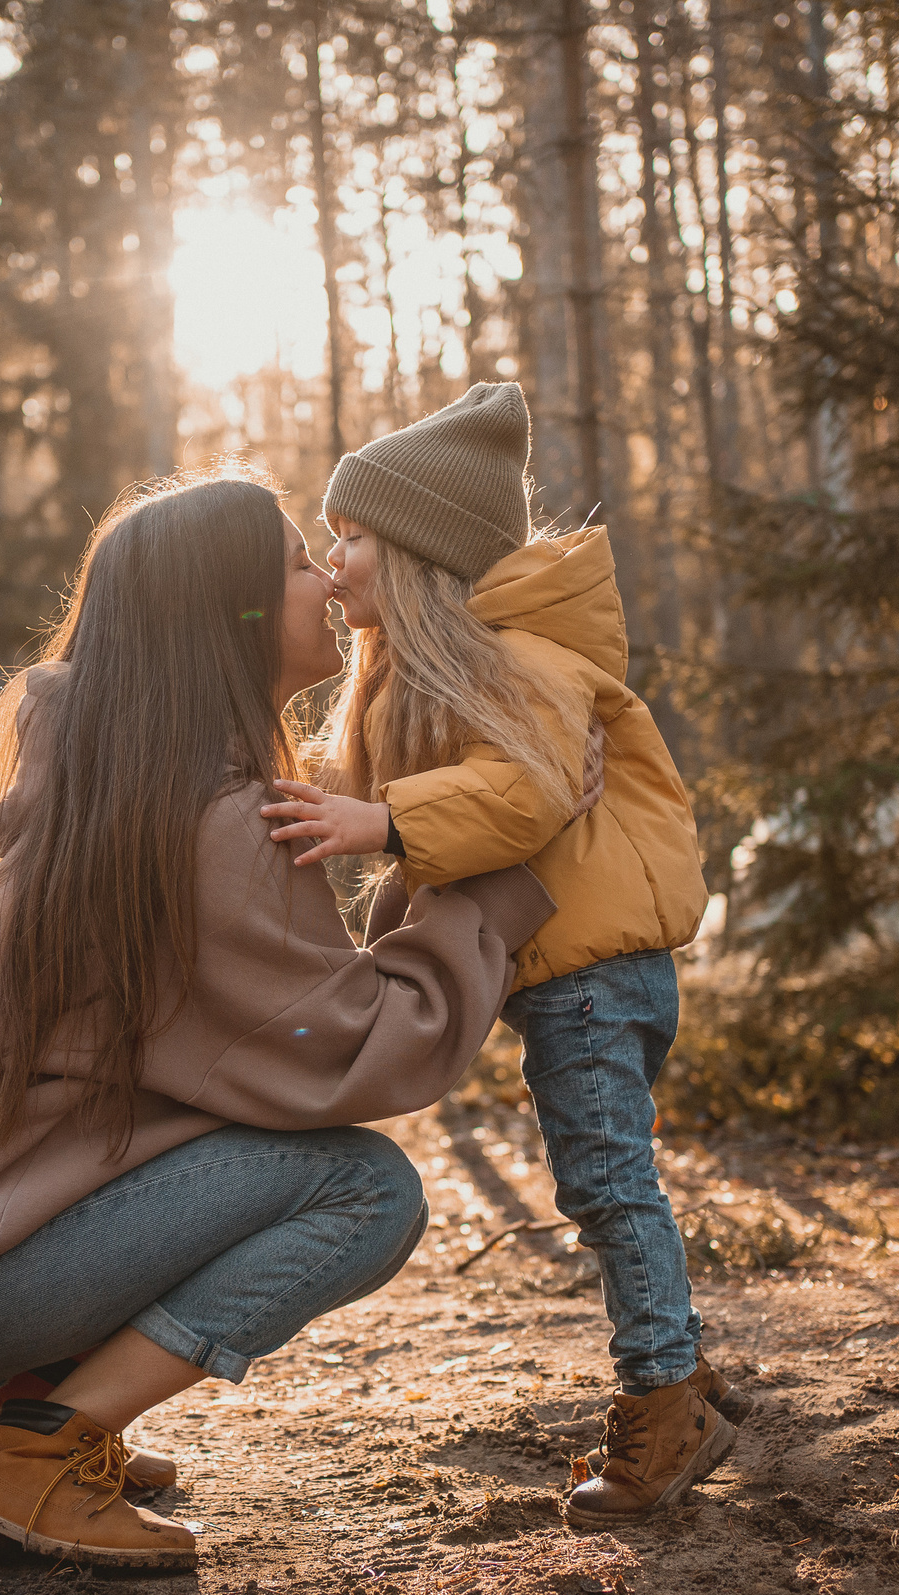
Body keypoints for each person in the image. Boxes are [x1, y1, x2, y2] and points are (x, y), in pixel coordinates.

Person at [0, 469, 555, 1571]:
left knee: (260, 1154)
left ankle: (12, 1401)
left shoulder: (122, 793)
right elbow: (372, 1048)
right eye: (297, 562)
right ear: (224, 618)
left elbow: (278, 1039)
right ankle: (35, 1458)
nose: (330, 582)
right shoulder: (213, 827)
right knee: (365, 1189)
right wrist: (495, 869)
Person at [257, 383, 738, 1529]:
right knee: (612, 1180)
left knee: (607, 1183)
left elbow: (521, 796)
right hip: (574, 970)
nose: (333, 558)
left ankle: (665, 1401)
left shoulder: (519, 660)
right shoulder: (438, 672)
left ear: (419, 553)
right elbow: (370, 789)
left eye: (353, 536)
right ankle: (682, 1372)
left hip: (590, 975)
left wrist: (381, 826)